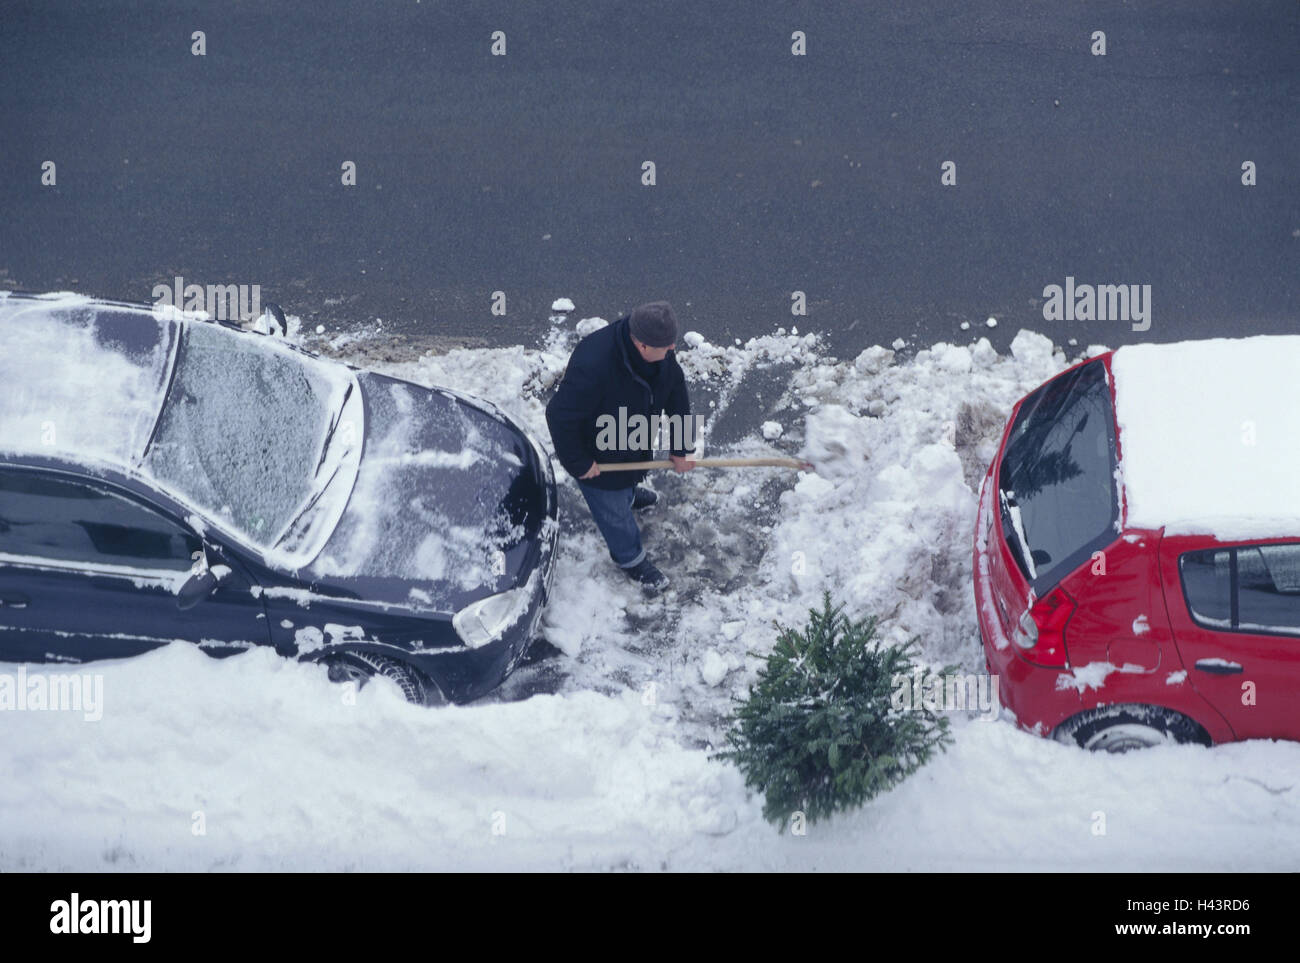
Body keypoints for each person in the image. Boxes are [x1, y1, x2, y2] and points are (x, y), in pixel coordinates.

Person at [545, 301, 696, 593]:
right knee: (614, 515)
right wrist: (578, 463)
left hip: (628, 441)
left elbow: (676, 392)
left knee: (625, 487)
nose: (672, 350)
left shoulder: (659, 350)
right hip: (598, 458)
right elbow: (558, 415)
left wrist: (681, 446)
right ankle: (631, 559)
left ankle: (627, 494)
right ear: (642, 345)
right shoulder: (594, 363)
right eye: (666, 347)